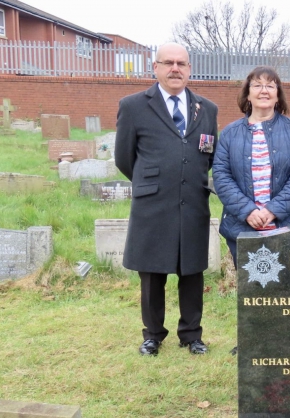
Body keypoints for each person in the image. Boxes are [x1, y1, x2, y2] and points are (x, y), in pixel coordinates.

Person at [115, 42, 218, 356]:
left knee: (192, 270)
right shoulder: (133, 106)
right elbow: (124, 158)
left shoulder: (207, 109)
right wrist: (155, 181)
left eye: (181, 64)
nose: (175, 69)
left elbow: (208, 154)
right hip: (153, 202)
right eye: (168, 63)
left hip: (193, 201)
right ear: (155, 68)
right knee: (152, 272)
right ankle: (153, 335)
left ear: (189, 69)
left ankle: (191, 334)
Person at [213, 66, 290, 266]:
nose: (264, 91)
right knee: (252, 285)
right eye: (257, 85)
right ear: (248, 94)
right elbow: (221, 176)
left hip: (289, 227)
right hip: (243, 228)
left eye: (270, 86)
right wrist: (248, 211)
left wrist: (272, 210)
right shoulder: (230, 133)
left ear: (278, 95)